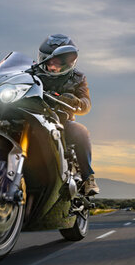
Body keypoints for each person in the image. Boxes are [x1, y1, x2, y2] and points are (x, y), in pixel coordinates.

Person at [35, 33, 100, 195]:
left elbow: (86, 104)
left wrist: (75, 101)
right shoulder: (31, 71)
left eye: (57, 63)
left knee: (81, 131)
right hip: (33, 115)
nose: (51, 67)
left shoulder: (78, 78)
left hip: (60, 121)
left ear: (68, 63)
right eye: (48, 61)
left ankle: (88, 178)